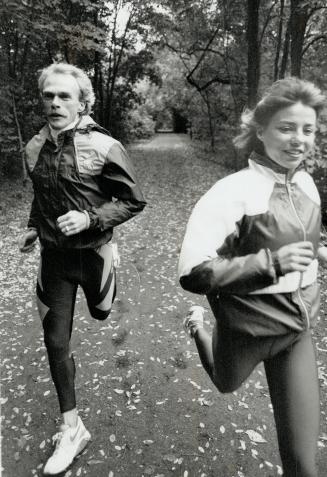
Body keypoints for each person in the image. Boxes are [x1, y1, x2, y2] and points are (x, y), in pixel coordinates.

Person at [178, 77, 327, 477]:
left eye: (308, 129)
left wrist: (319, 253)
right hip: (245, 330)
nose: (299, 139)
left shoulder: (308, 186)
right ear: (260, 130)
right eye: (286, 127)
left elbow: (303, 244)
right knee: (225, 384)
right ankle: (198, 331)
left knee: (302, 462)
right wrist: (272, 263)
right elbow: (192, 273)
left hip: (296, 331)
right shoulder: (231, 193)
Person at [19, 63, 146, 475]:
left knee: (102, 312)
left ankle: (111, 264)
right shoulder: (34, 148)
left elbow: (132, 200)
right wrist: (34, 228)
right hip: (54, 260)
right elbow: (43, 197)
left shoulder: (105, 146)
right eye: (48, 96)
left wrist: (91, 219)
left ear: (82, 101)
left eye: (64, 96)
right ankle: (72, 427)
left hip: (93, 254)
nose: (55, 103)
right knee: (56, 341)